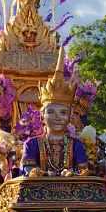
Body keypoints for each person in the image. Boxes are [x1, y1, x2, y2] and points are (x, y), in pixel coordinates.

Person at [21, 48, 90, 178]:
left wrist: (72, 173)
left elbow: (83, 169)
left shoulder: (76, 145)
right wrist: (44, 174)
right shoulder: (32, 144)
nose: (57, 117)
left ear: (70, 117)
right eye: (51, 112)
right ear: (42, 116)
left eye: (63, 113)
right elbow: (28, 168)